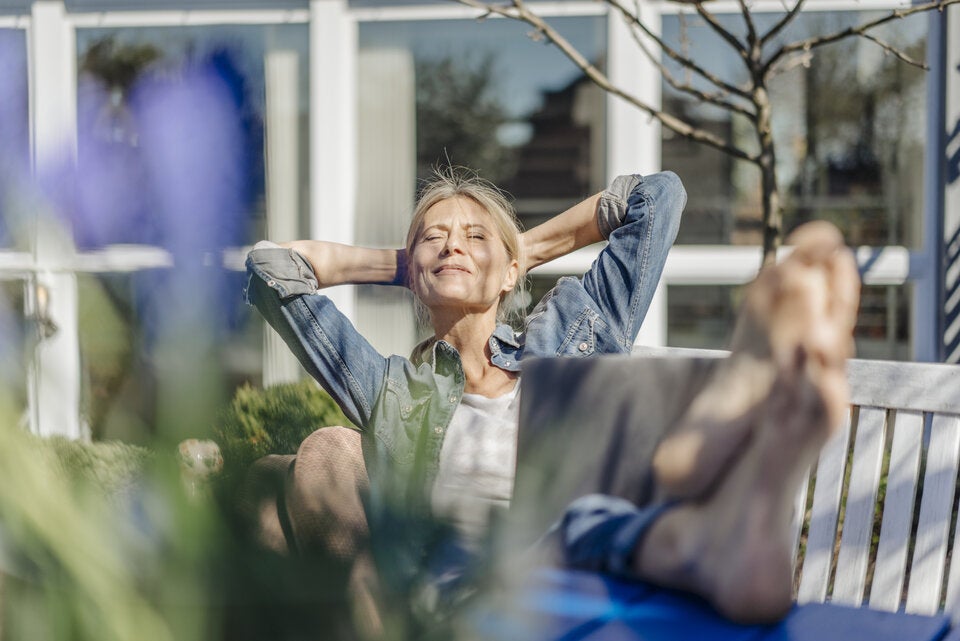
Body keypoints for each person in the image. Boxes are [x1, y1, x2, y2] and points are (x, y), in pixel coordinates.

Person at [244, 166, 860, 633]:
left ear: (513, 273)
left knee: (587, 520)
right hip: (459, 591)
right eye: (434, 239)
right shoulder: (389, 386)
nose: (452, 245)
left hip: (579, 567)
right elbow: (272, 269)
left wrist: (519, 252)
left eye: (473, 237)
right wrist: (418, 263)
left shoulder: (569, 335)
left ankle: (721, 520)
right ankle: (707, 511)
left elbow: (659, 197)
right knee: (318, 457)